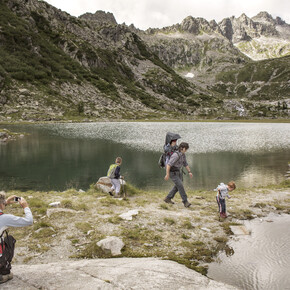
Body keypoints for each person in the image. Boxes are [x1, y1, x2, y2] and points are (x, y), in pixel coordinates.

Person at [0, 191, 33, 284]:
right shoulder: (4, 218)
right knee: (9, 240)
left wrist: (5, 202)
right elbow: (29, 221)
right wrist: (25, 206)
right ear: (1, 205)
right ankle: (3, 272)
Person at [164, 142, 193, 207]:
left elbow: (185, 163)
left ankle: (168, 198)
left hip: (178, 172)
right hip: (172, 173)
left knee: (177, 186)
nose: (186, 150)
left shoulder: (183, 154)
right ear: (182, 148)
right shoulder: (175, 155)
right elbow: (168, 165)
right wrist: (167, 174)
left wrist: (189, 172)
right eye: (185, 149)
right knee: (180, 185)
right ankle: (185, 201)